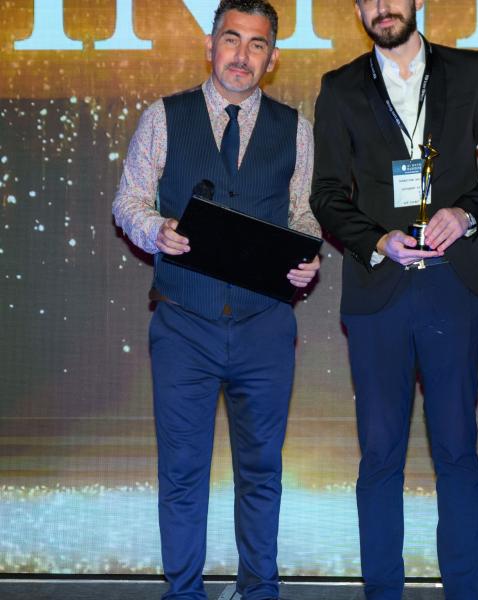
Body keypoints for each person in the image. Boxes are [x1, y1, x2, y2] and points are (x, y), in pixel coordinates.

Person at [310, 1, 478, 599]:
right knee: (380, 455)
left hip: (452, 284)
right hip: (379, 290)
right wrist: (377, 239)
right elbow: (326, 193)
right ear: (358, 9)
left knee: (456, 449)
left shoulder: (470, 70)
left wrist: (467, 212)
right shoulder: (339, 87)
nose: (383, 7)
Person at [112, 1, 320, 599]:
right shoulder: (163, 117)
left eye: (257, 44)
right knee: (182, 474)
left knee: (262, 473)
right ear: (210, 45)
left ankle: (260, 590)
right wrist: (157, 230)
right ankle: (184, 592)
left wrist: (307, 254)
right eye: (232, 39)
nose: (242, 55)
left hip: (265, 326)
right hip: (184, 325)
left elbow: (303, 212)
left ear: (272, 58)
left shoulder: (295, 128)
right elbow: (128, 202)